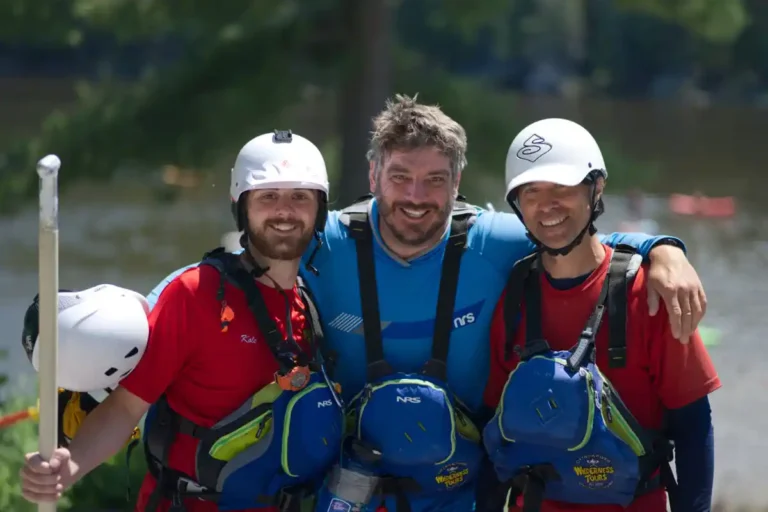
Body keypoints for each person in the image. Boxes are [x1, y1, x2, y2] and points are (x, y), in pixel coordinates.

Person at [142, 95, 705, 512]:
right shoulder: (324, 242)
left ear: (457, 181)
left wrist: (662, 250)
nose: (416, 196)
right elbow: (225, 268)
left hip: (460, 493)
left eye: (435, 180)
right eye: (400, 176)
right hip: (344, 490)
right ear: (372, 176)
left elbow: (571, 235)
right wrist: (120, 328)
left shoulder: (494, 242)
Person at [19, 130, 345, 512]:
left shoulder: (309, 306)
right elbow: (125, 409)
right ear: (241, 205)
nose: (285, 211)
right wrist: (68, 467)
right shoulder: (195, 295)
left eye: (300, 197)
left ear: (319, 208)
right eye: (268, 196)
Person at [482, 118, 720, 512]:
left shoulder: (650, 292)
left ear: (597, 188)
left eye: (563, 188)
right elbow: (493, 428)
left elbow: (695, 429)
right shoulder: (513, 297)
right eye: (531, 192)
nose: (547, 206)